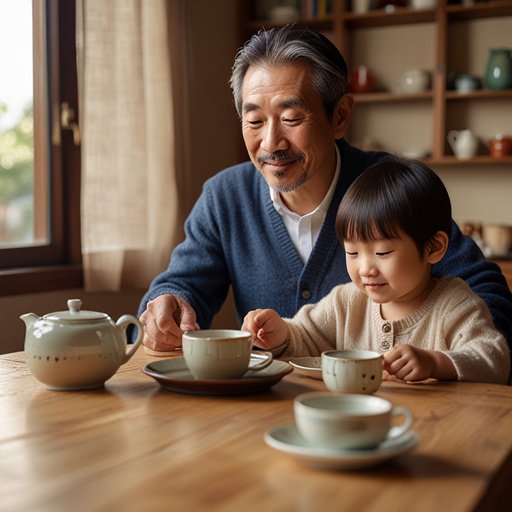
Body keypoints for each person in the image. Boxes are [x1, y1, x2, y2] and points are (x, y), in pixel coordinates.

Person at [137, 25, 512, 373]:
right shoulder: (225, 197)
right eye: (254, 121)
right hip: (264, 412)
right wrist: (168, 307)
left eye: (292, 118)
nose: (270, 144)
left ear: (341, 116)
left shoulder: (388, 190)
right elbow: (181, 287)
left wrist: (449, 360)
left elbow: (485, 292)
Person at [242, 158, 510, 384]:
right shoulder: (346, 302)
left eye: (382, 253)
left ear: (433, 247)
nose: (366, 268)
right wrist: (280, 334)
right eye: (353, 253)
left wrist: (436, 363)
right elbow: (305, 336)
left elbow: (493, 358)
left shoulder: (455, 305)